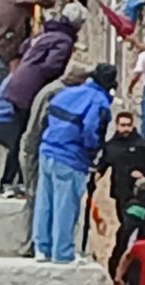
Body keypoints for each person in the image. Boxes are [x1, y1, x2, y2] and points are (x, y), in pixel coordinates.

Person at [0, 2, 85, 194]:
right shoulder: (64, 41)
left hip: (18, 86)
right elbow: (51, 66)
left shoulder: (46, 34)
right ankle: (14, 182)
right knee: (24, 139)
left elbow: (24, 47)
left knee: (21, 136)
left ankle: (15, 181)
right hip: (29, 92)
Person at [32, 64, 114, 264]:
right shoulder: (99, 100)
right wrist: (92, 153)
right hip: (71, 157)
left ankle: (42, 248)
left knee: (45, 202)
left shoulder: (68, 92)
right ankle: (63, 253)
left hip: (48, 149)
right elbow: (91, 129)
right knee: (66, 206)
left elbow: (48, 115)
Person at [96, 107, 145, 224]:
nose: (126, 128)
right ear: (117, 126)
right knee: (123, 223)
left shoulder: (142, 145)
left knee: (142, 224)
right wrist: (92, 182)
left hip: (140, 192)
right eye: (123, 125)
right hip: (120, 192)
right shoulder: (111, 147)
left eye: (128, 125)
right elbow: (101, 167)